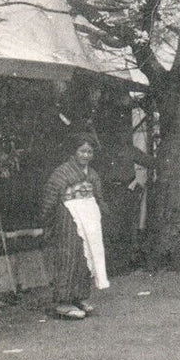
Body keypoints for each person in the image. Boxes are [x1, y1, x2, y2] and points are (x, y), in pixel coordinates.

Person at [39, 131, 110, 320]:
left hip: (89, 220)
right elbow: (50, 198)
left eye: (89, 152)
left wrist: (102, 211)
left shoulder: (92, 174)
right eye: (82, 151)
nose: (86, 155)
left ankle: (78, 297)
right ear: (74, 152)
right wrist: (48, 221)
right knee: (69, 257)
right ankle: (63, 302)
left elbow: (98, 196)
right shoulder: (61, 173)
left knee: (85, 257)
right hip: (67, 220)